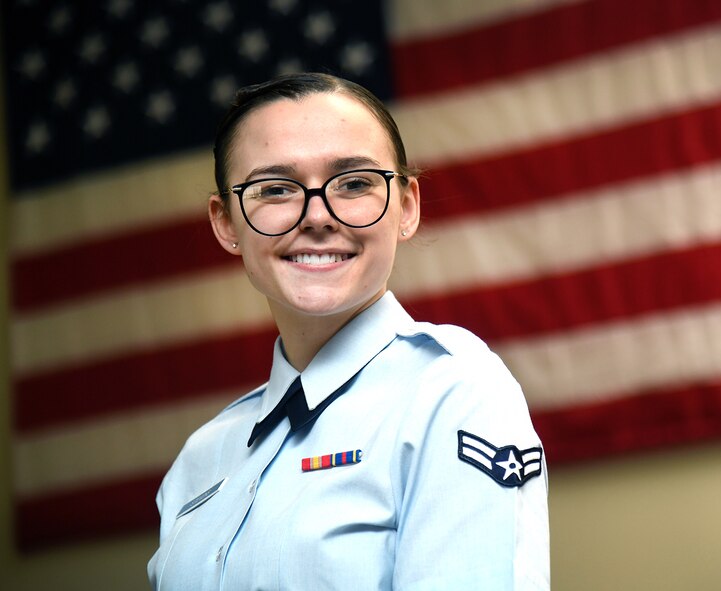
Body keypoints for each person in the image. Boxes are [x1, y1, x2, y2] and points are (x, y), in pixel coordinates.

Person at [148, 72, 550, 590]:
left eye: (355, 183)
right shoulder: (200, 459)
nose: (317, 216)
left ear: (407, 206)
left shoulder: (451, 393)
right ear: (226, 222)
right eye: (275, 189)